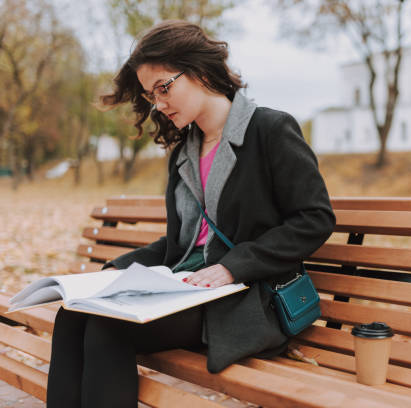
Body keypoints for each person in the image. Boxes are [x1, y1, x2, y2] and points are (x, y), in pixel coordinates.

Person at [46, 20, 335, 408]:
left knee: (107, 329)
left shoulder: (269, 130)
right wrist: (118, 269)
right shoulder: (185, 152)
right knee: (72, 315)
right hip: (187, 290)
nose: (159, 104)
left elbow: (314, 218)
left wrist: (234, 266)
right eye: (151, 95)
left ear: (198, 71)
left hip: (246, 298)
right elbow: (181, 243)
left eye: (163, 88)